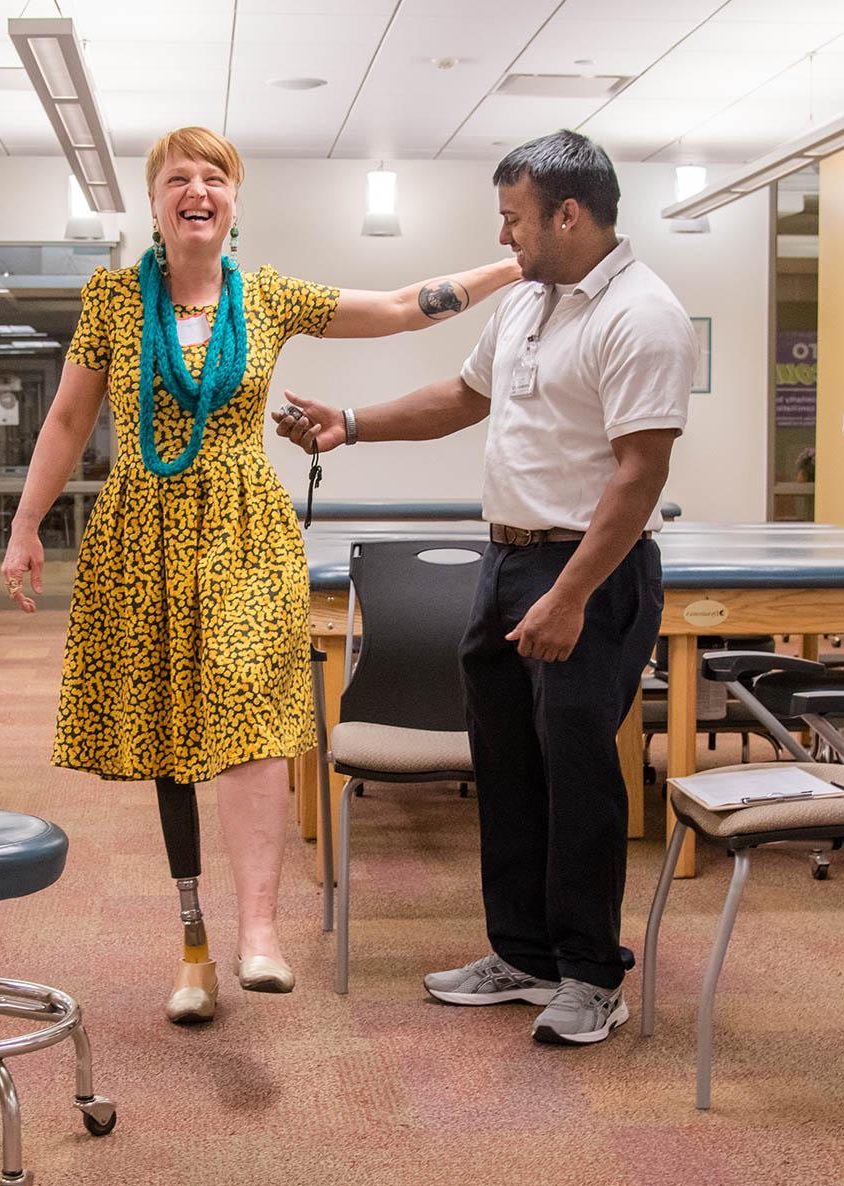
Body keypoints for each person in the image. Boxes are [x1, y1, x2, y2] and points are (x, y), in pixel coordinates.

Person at [2, 126, 519, 1025]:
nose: (195, 191)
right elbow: (65, 421)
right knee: (167, 737)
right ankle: (193, 942)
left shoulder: (268, 296)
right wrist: (24, 524)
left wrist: (512, 269)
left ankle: (260, 935)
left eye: (214, 179)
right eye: (177, 179)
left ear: (234, 201)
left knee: (249, 713)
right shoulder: (114, 300)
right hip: (140, 537)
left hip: (242, 530)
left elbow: (401, 305)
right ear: (154, 202)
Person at [273, 129, 696, 1046]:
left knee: (580, 773)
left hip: (590, 568)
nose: (504, 237)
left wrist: (572, 595)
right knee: (507, 764)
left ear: (568, 214)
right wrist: (350, 423)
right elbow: (464, 399)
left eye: (514, 218)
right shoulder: (527, 304)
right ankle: (525, 953)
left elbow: (639, 476)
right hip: (504, 561)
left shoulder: (642, 314)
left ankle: (590, 973)